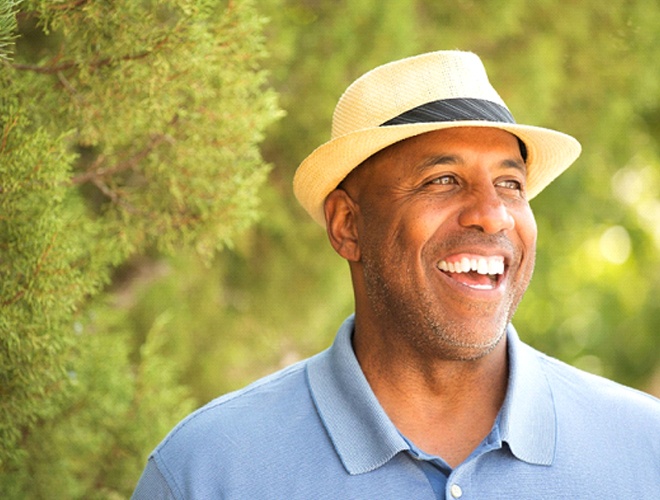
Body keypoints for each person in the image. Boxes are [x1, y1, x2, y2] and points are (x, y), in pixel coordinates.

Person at [133, 51, 660, 499]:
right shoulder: (206, 472)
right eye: (443, 179)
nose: (493, 214)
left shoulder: (645, 451)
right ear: (347, 225)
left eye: (509, 183)